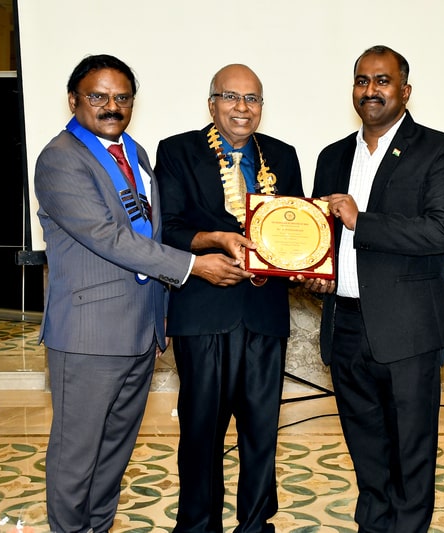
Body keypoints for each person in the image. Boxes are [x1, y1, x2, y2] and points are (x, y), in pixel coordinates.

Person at [34, 54, 249, 533]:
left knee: (114, 453)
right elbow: (108, 237)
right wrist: (193, 265)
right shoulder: (61, 158)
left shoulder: (135, 154)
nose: (111, 106)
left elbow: (150, 232)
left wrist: (163, 311)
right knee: (77, 457)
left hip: (139, 330)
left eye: (122, 97)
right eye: (98, 96)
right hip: (88, 336)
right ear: (73, 100)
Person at [303, 45, 444, 533]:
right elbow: (323, 237)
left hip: (407, 331)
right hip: (345, 325)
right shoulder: (332, 155)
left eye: (382, 81)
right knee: (366, 450)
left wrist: (362, 221)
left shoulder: (438, 149)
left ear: (405, 91)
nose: (370, 90)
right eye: (362, 80)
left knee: (411, 454)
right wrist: (316, 272)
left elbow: (442, 232)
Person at [153, 64, 303, 533]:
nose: (242, 108)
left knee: (261, 432)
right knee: (201, 431)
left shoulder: (282, 155)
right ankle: (198, 525)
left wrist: (304, 264)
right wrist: (214, 240)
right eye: (231, 97)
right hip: (204, 311)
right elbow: (168, 228)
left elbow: (296, 228)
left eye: (252, 99)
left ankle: (256, 524)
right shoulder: (177, 151)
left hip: (264, 312)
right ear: (212, 104)